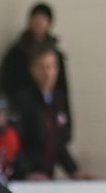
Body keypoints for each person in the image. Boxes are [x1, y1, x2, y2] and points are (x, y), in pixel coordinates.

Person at [0, 2, 72, 134]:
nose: (47, 73)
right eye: (36, 19)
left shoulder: (56, 54)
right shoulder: (16, 53)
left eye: (51, 67)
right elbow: (6, 84)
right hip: (24, 110)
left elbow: (63, 89)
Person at [13, 47, 81, 180]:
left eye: (51, 67)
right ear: (32, 70)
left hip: (47, 177)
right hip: (25, 179)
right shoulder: (21, 101)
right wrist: (26, 173)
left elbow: (58, 143)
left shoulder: (58, 100)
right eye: (41, 67)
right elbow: (15, 143)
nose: (47, 73)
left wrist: (74, 171)